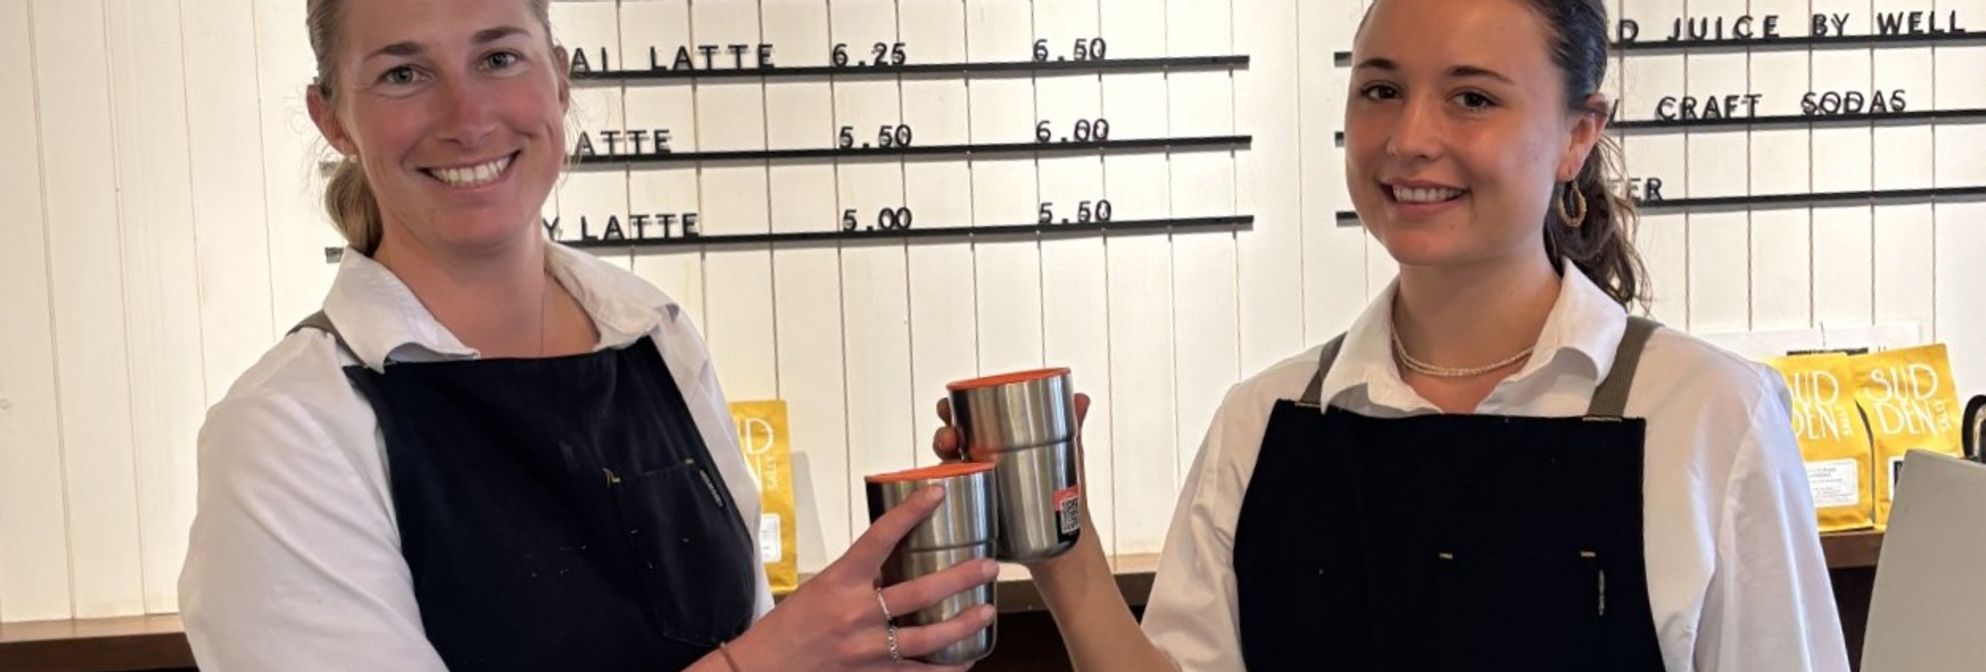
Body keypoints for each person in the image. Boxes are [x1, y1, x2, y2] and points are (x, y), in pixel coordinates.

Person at [934, 0, 1851, 670]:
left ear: (1578, 135)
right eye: (1381, 89)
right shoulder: (1265, 421)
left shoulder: (1710, 414)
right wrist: (1062, 549)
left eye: (1472, 99)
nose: (1410, 138)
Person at [177, 1, 993, 670]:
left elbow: (743, 631)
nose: (467, 117)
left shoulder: (654, 338)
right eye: (403, 74)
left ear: (561, 79)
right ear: (333, 120)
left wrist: (869, 644)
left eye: (499, 58)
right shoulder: (288, 431)